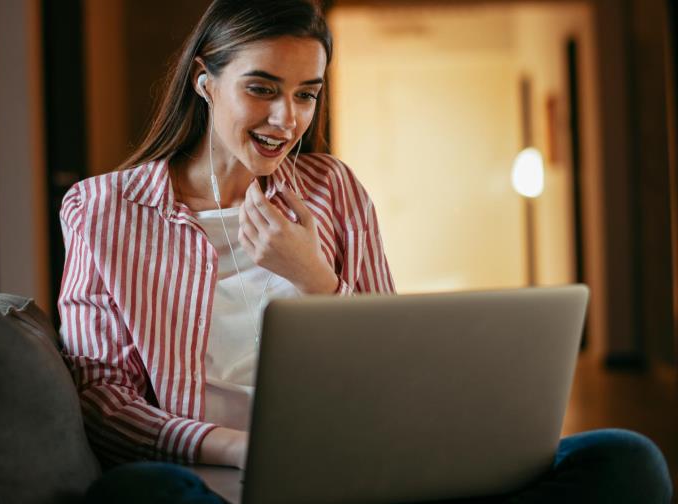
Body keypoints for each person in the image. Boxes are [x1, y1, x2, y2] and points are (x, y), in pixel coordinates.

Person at [59, 1, 673, 502]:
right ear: (204, 82)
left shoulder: (334, 188)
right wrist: (239, 447)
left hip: (359, 465)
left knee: (624, 459)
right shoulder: (104, 210)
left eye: (307, 94)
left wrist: (315, 279)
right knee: (140, 495)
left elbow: (396, 362)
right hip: (213, 475)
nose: (286, 118)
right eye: (262, 88)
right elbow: (103, 399)